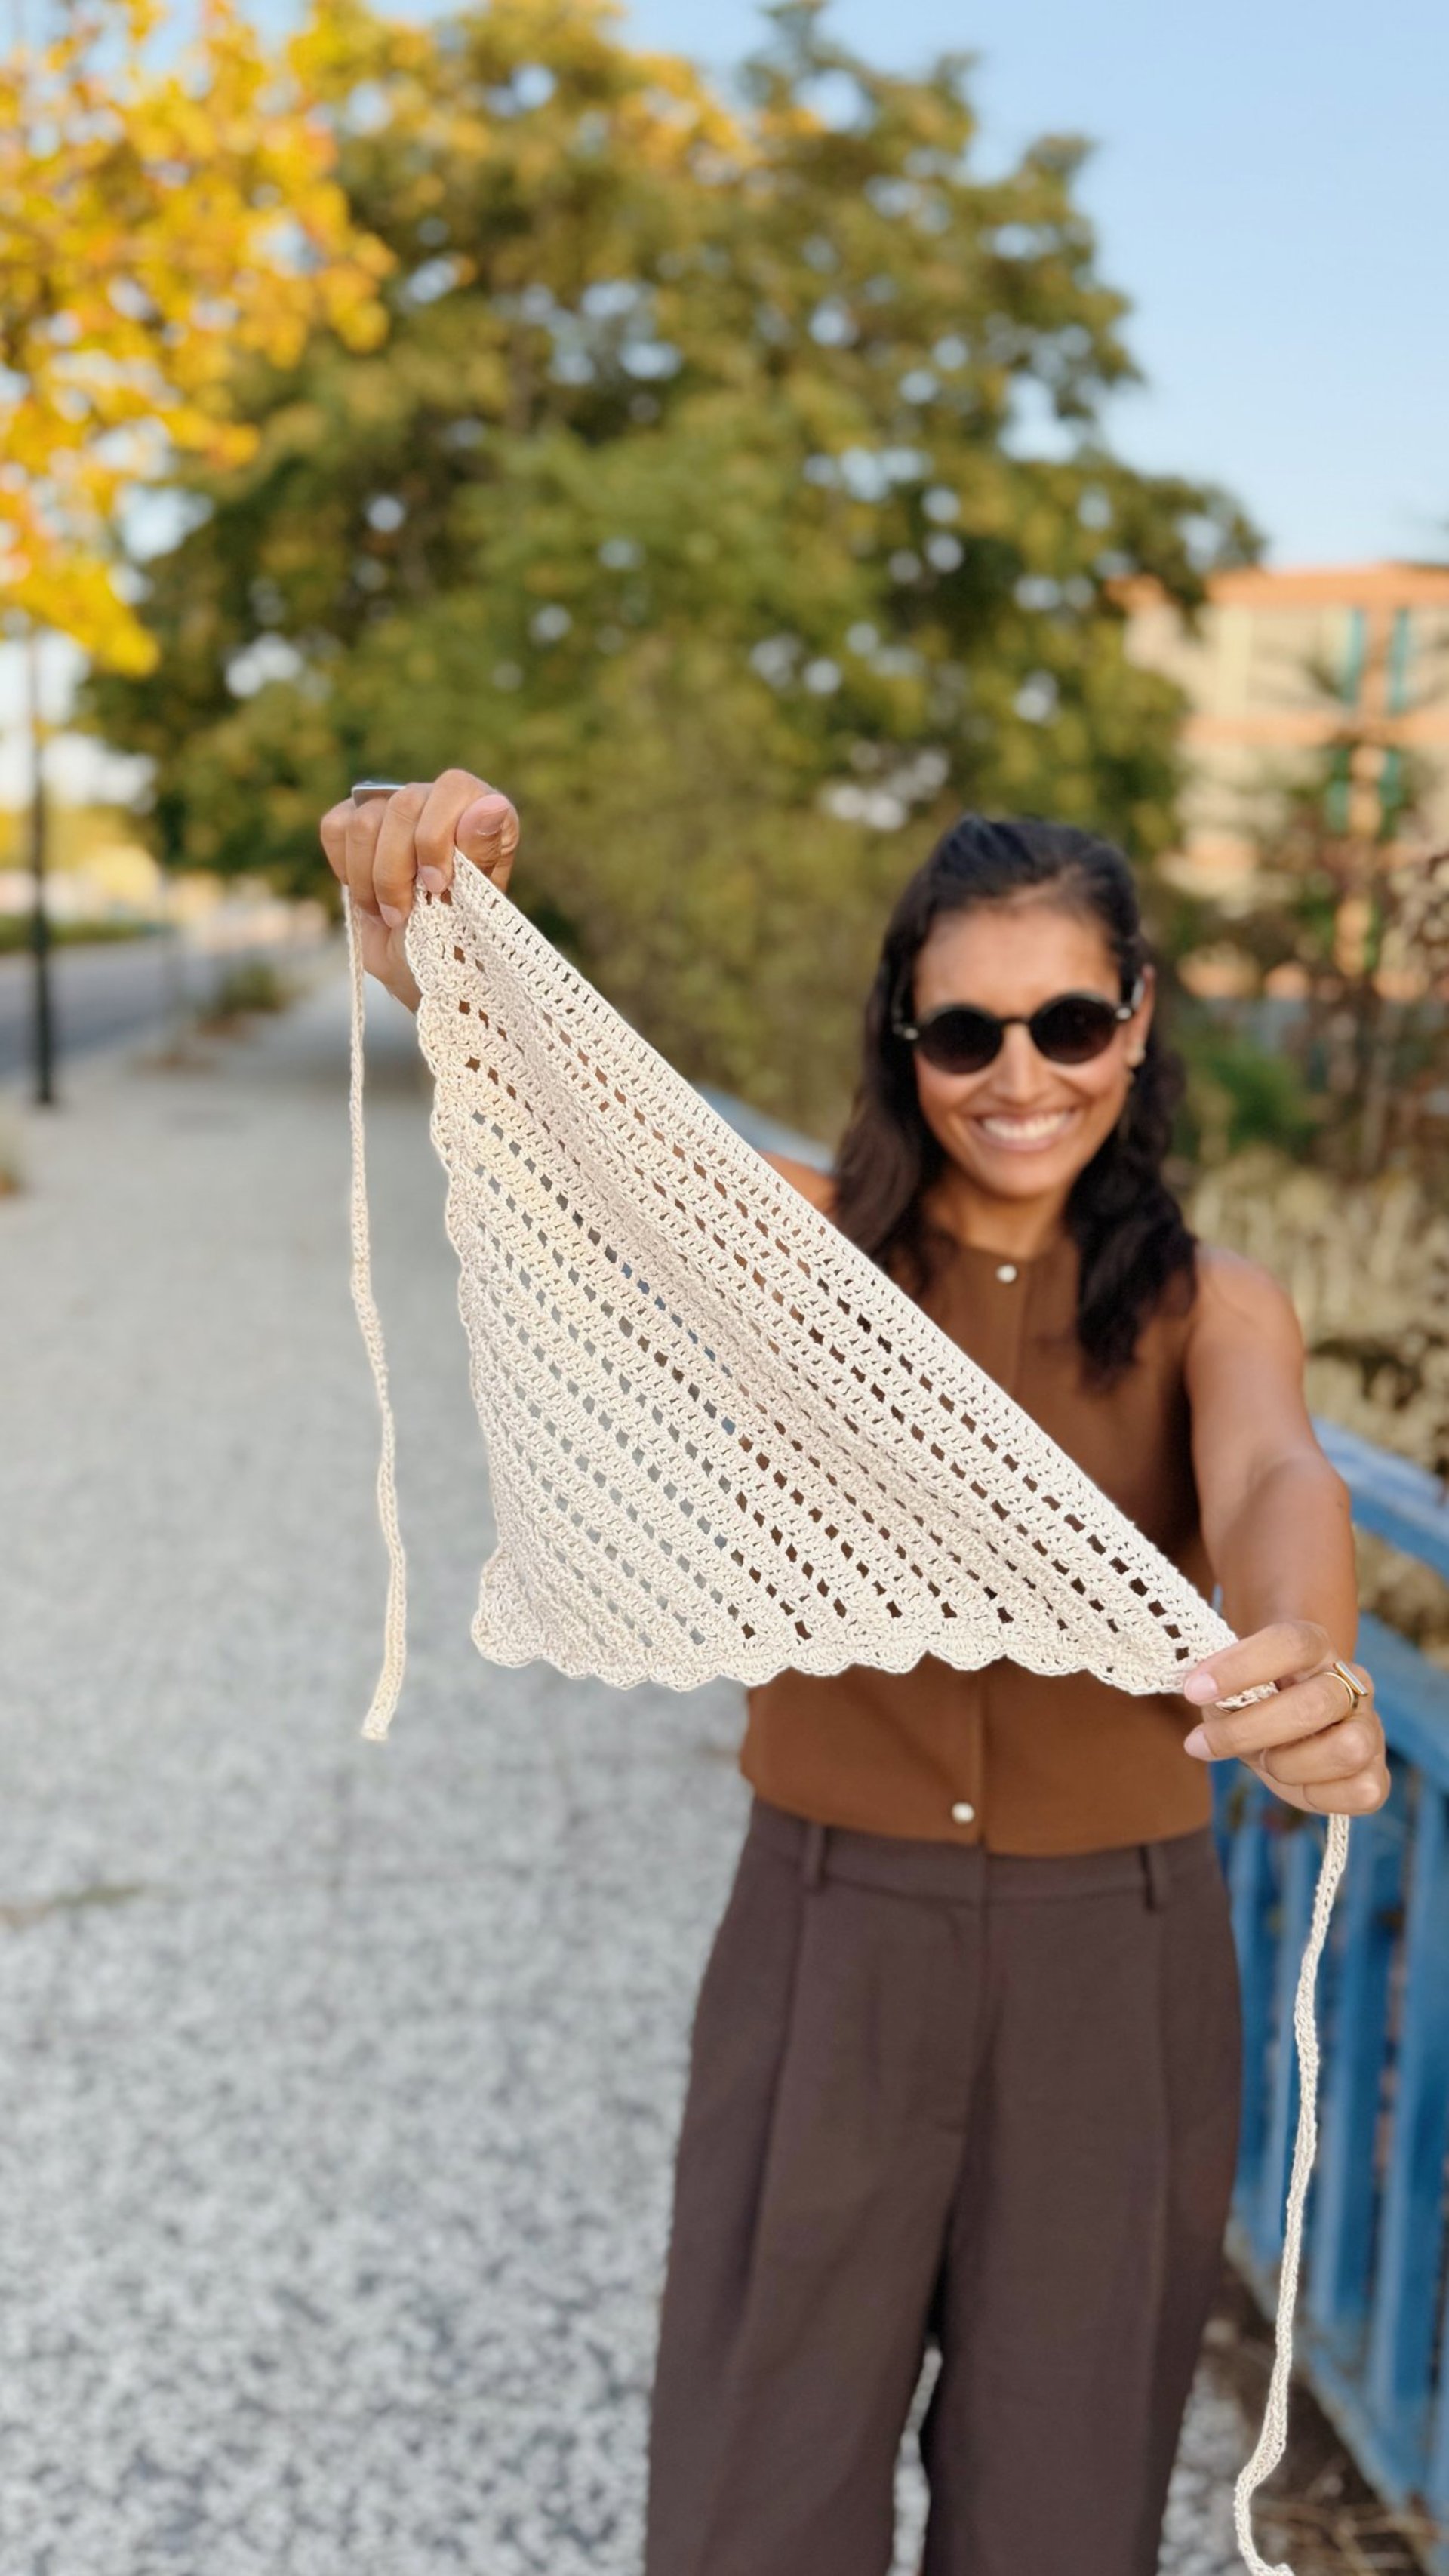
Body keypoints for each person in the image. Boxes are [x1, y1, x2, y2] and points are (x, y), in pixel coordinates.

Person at [321, 771, 1389, 2576]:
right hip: (826, 1938)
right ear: (904, 1036)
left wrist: (1311, 1660)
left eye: (1066, 1018)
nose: (1018, 1071)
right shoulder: (796, 1248)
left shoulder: (1219, 1299)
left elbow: (1277, 1475)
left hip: (1111, 1964)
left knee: (1063, 2505)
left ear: (1137, 1025)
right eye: (964, 1027)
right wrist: (410, 866)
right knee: (759, 2485)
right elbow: (548, 1078)